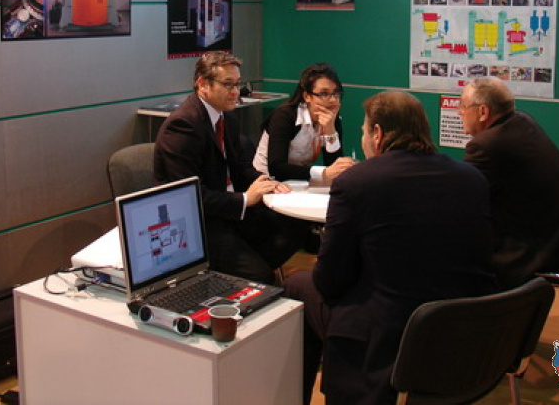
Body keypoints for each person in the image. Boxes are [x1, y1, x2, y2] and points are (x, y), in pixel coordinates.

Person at [285, 90, 498, 405]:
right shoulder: (472, 179)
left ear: (378, 133)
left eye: (363, 130)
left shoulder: (358, 181)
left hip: (389, 336)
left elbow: (329, 281)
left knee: (297, 284)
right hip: (464, 330)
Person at [154, 51, 309, 285]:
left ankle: (235, 278)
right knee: (258, 275)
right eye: (228, 84)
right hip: (200, 222)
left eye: (237, 84)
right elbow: (189, 196)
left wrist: (264, 182)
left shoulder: (226, 118)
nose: (236, 92)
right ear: (202, 84)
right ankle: (240, 280)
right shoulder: (183, 126)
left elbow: (240, 168)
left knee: (296, 228)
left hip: (229, 209)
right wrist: (245, 199)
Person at [458, 77, 559, 289]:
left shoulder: (487, 144)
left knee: (453, 250)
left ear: (483, 111)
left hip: (536, 252)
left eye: (463, 106)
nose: (459, 112)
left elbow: (461, 197)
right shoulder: (524, 123)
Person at [253, 62, 355, 182]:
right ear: (307, 96)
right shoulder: (285, 116)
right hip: (267, 181)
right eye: (324, 94)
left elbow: (334, 167)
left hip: (300, 182)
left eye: (335, 93)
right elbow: (276, 168)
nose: (332, 100)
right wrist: (322, 173)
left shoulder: (331, 118)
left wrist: (330, 130)